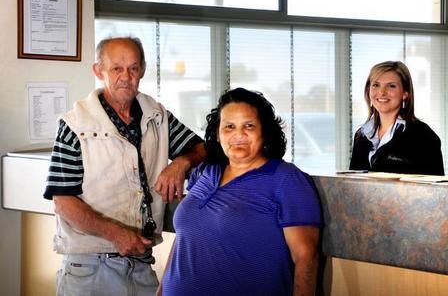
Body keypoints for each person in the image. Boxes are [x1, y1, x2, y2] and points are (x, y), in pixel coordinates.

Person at [43, 37, 206, 296]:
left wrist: (181, 163)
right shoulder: (74, 124)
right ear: (99, 71)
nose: (126, 77)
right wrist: (115, 234)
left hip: (141, 265)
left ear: (142, 70)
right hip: (89, 270)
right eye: (116, 68)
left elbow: (201, 149)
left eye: (133, 68)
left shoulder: (158, 116)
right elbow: (63, 201)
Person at [160, 87, 322, 296]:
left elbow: (306, 257)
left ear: (264, 131)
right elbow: (185, 241)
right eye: (229, 127)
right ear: (218, 134)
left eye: (249, 126)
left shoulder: (286, 179)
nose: (239, 135)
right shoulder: (204, 172)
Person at [349, 60, 444, 175]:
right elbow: (352, 186)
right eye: (376, 85)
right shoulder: (361, 136)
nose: (382, 92)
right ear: (368, 91)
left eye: (391, 86)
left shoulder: (424, 137)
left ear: (405, 93)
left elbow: (434, 190)